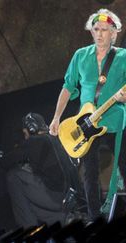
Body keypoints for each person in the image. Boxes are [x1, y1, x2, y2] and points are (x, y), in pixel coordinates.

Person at [49, 9, 126, 221]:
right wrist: (56, 117)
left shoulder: (123, 57)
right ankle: (94, 220)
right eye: (96, 29)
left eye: (105, 30)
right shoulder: (80, 56)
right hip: (85, 123)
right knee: (89, 175)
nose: (100, 34)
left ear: (114, 33)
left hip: (116, 121)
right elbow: (67, 87)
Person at [3, 113, 79, 227]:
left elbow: (6, 161)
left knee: (13, 176)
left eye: (25, 133)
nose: (25, 137)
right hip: (69, 199)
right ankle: (63, 220)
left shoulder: (34, 141)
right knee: (28, 200)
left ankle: (29, 229)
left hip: (55, 198)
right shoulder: (55, 140)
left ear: (31, 129)